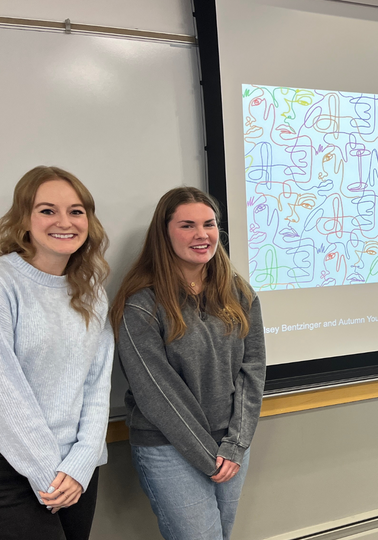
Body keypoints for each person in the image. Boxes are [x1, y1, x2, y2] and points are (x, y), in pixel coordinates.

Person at [0, 166, 112, 540]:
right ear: (24, 219)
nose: (65, 221)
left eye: (76, 211)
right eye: (47, 210)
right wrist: (47, 473)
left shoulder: (91, 290)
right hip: (5, 462)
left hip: (75, 468)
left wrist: (81, 463)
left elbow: (97, 382)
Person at [111, 187, 266, 540]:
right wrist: (207, 457)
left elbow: (253, 369)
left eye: (209, 224)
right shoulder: (141, 304)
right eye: (187, 225)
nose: (202, 235)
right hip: (169, 448)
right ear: (164, 234)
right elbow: (157, 393)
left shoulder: (238, 293)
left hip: (229, 446)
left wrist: (235, 444)